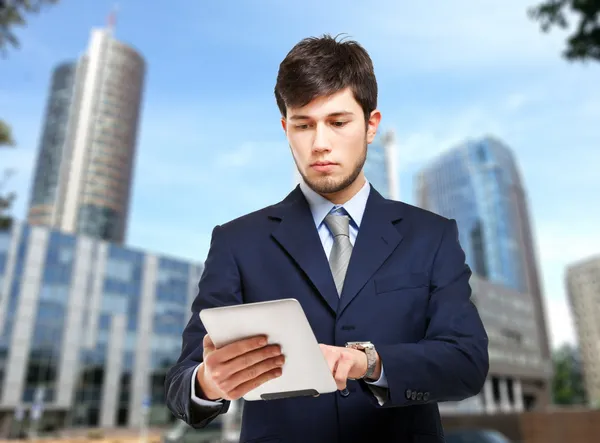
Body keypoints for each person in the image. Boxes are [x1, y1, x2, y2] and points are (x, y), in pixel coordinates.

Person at [165, 34, 489, 443]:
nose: (320, 144)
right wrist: (208, 383)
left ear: (371, 126)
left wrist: (367, 362)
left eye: (338, 123)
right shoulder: (237, 242)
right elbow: (182, 383)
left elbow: (467, 362)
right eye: (303, 125)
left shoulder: (431, 236)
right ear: (286, 129)